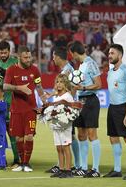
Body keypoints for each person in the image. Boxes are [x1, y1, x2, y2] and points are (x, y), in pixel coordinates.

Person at [3, 46, 45, 172]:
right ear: (19, 57)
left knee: (29, 137)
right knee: (19, 139)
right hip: (16, 110)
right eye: (25, 57)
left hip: (30, 109)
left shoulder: (35, 70)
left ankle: (26, 163)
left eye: (29, 57)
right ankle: (21, 163)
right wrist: (19, 88)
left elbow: (39, 86)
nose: (28, 59)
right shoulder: (11, 70)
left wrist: (44, 100)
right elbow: (5, 86)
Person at [69, 41, 102, 177]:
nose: (71, 56)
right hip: (80, 102)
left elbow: (98, 84)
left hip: (90, 101)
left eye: (72, 54)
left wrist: (83, 88)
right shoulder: (81, 66)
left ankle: (95, 169)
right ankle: (82, 167)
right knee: (81, 135)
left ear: (75, 52)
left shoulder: (90, 63)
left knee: (91, 134)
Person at [48, 46, 80, 174]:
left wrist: (50, 96)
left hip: (66, 111)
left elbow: (65, 89)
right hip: (63, 110)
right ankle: (64, 166)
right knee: (65, 140)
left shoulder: (67, 70)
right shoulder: (67, 69)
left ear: (58, 57)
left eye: (53, 57)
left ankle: (72, 166)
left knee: (68, 139)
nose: (53, 59)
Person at [103, 44, 126, 178]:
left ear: (120, 55)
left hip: (123, 108)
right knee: (113, 138)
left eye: (112, 53)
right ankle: (117, 169)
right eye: (109, 53)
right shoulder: (110, 71)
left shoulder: (125, 70)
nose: (109, 56)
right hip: (112, 107)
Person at [48, 74, 74, 178]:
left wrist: (64, 120)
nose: (59, 84)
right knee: (59, 147)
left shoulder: (67, 96)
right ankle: (61, 169)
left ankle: (68, 170)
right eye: (57, 82)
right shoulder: (56, 96)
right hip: (56, 124)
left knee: (65, 147)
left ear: (65, 84)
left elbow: (72, 111)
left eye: (61, 82)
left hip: (65, 126)